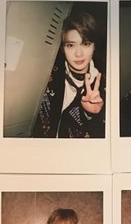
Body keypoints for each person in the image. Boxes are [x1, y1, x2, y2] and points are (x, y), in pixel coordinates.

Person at [32, 10, 105, 138]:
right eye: (71, 45)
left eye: (86, 44)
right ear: (62, 48)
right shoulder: (46, 73)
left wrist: (90, 115)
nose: (79, 54)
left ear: (94, 46)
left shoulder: (103, 86)